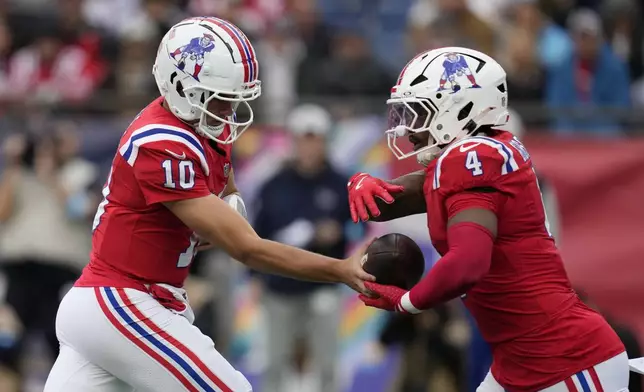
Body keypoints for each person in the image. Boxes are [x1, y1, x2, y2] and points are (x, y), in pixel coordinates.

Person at [44, 17, 374, 392]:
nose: (229, 109)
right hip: (123, 301)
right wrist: (341, 270)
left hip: (121, 303)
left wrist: (222, 212)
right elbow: (248, 248)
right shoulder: (162, 142)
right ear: (182, 87)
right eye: (221, 98)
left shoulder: (200, 124)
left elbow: (226, 191)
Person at [347, 47, 628, 391]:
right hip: (520, 360)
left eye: (419, 111)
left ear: (459, 108)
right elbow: (394, 199)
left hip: (564, 359)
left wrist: (406, 302)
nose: (409, 128)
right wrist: (361, 182)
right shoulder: (477, 153)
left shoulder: (472, 157)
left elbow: (469, 262)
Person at [252, 104, 352, 392]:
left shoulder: (341, 184)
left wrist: (339, 231)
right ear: (293, 141)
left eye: (315, 139)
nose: (309, 146)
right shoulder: (273, 185)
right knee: (274, 361)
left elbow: (362, 228)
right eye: (303, 139)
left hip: (324, 285)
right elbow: (255, 236)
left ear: (325, 141)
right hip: (280, 288)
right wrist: (254, 278)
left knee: (327, 362)